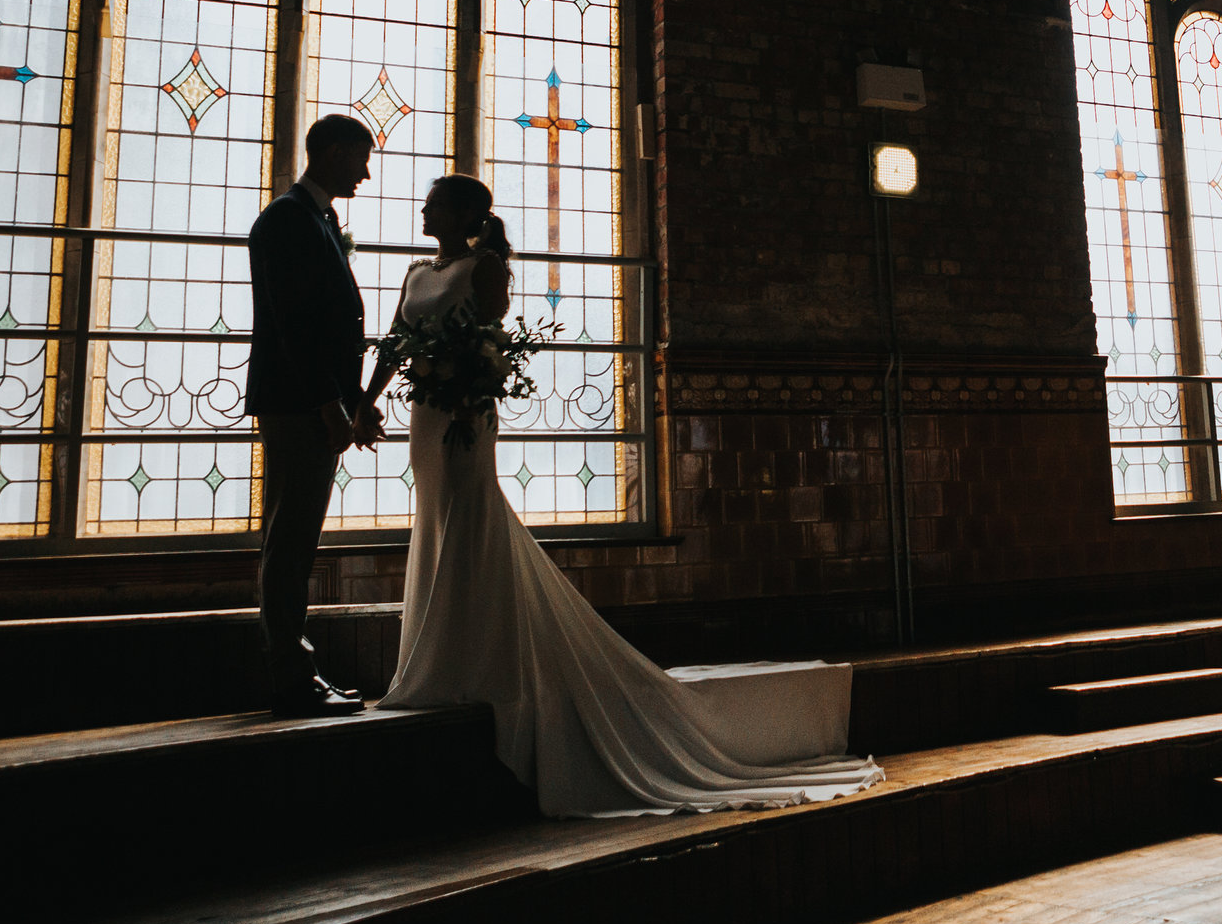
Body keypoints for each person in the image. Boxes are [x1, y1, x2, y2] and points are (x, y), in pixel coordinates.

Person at [360, 172, 885, 817]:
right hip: (427, 414)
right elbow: (394, 340)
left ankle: (472, 657)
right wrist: (366, 401)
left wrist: (468, 375)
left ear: (464, 212)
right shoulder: (416, 273)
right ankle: (438, 654)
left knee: (468, 516)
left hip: (465, 411)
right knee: (434, 519)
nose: (423, 205)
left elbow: (487, 339)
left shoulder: (484, 265)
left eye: (436, 199)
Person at [244, 112, 376, 718]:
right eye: (360, 157)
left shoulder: (315, 217)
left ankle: (293, 670)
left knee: (297, 537)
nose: (366, 173)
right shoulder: (287, 219)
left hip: (313, 403)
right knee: (291, 541)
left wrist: (349, 405)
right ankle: (290, 678)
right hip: (299, 404)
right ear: (332, 153)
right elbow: (294, 322)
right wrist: (329, 405)